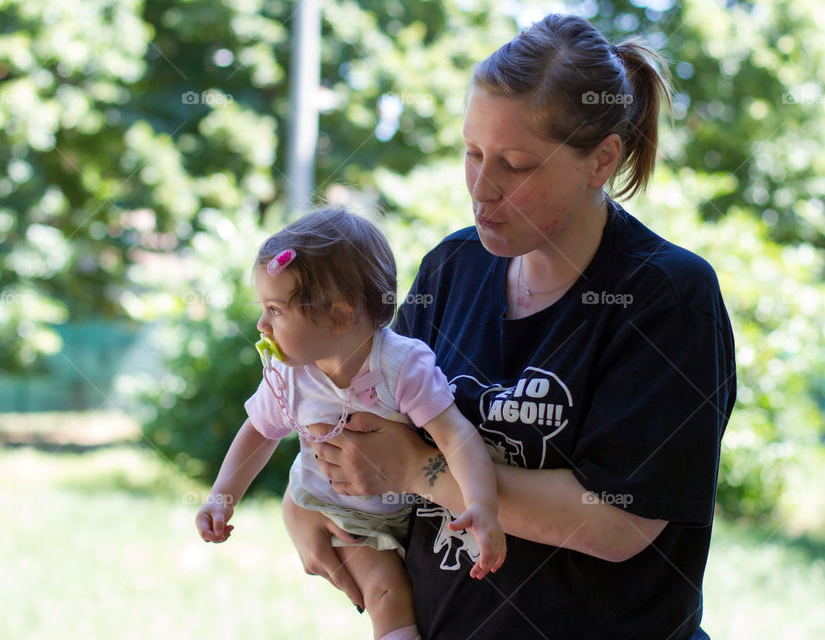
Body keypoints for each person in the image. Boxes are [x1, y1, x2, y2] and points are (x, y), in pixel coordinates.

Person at [282, 13, 736, 640]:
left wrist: (420, 472)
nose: (481, 188)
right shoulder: (450, 267)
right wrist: (303, 497)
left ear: (601, 160)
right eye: (472, 152)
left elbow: (620, 523)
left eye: (517, 165)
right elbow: (365, 418)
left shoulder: (667, 295)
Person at [195, 207, 506, 640]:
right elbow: (260, 431)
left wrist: (482, 505)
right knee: (386, 592)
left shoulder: (401, 367)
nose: (262, 324)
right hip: (329, 507)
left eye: (275, 310)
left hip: (400, 510)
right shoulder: (291, 373)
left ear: (341, 317)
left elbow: (454, 434)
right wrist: (221, 498)